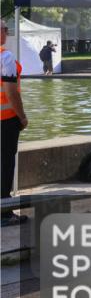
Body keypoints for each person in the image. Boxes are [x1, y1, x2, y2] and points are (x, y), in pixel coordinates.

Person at [1, 20, 28, 226]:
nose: (8, 33)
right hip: (5, 121)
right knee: (5, 164)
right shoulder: (6, 56)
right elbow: (10, 91)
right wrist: (22, 117)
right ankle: (4, 214)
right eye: (5, 29)